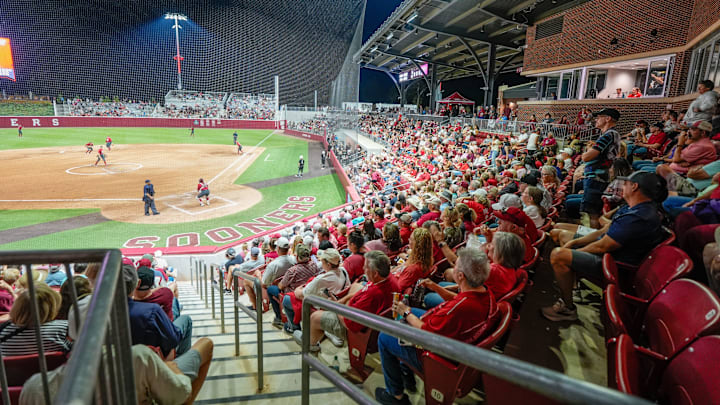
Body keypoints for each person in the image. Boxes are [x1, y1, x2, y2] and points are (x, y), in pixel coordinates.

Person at [541, 171, 668, 321]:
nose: (622, 186)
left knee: (558, 255)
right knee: (564, 241)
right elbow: (603, 231)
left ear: (634, 187)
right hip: (609, 254)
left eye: (626, 183)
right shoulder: (634, 208)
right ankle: (573, 288)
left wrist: (572, 251)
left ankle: (567, 309)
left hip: (615, 264)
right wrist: (575, 243)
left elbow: (603, 247)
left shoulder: (639, 216)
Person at [375, 248, 495, 405]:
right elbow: (459, 298)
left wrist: (405, 313)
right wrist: (436, 288)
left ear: (460, 276)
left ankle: (395, 395)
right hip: (452, 339)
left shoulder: (457, 310)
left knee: (384, 336)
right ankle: (405, 371)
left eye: (456, 266)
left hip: (435, 356)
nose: (453, 267)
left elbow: (425, 332)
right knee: (411, 315)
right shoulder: (485, 293)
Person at [20, 340, 214, 405]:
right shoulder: (139, 357)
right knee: (206, 344)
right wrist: (174, 371)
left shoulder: (34, 387)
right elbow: (179, 393)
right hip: (165, 378)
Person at [297, 251, 400, 351]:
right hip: (363, 313)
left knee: (315, 317)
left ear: (376, 273)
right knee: (356, 286)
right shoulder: (389, 278)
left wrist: (335, 307)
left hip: (356, 329)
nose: (363, 269)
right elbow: (360, 292)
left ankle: (311, 345)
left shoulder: (372, 295)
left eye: (366, 267)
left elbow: (349, 324)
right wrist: (344, 300)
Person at [124, 263, 190, 358]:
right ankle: (180, 363)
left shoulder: (103, 313)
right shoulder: (153, 310)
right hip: (157, 359)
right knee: (185, 319)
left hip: (127, 360)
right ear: (137, 283)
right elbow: (173, 340)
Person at [284, 248, 350, 334]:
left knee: (286, 299)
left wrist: (297, 289)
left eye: (322, 261)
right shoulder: (343, 270)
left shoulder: (321, 279)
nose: (320, 263)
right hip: (336, 300)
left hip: (324, 306)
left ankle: (294, 328)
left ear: (328, 264)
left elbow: (300, 295)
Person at [0, 283, 70, 357]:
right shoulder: (65, 328)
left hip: (12, 368)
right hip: (55, 368)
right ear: (52, 308)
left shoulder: (3, 331)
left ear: (17, 307)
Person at [581, 108, 622, 226]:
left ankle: (588, 238)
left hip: (597, 178)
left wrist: (588, 151)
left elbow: (586, 157)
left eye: (599, 117)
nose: (596, 120)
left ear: (608, 118)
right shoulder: (610, 135)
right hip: (597, 177)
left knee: (590, 214)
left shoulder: (609, 135)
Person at [269, 243, 319, 327]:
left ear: (297, 257)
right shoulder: (314, 264)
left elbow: (281, 286)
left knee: (271, 289)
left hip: (294, 295)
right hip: (309, 291)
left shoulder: (293, 271)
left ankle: (281, 319)